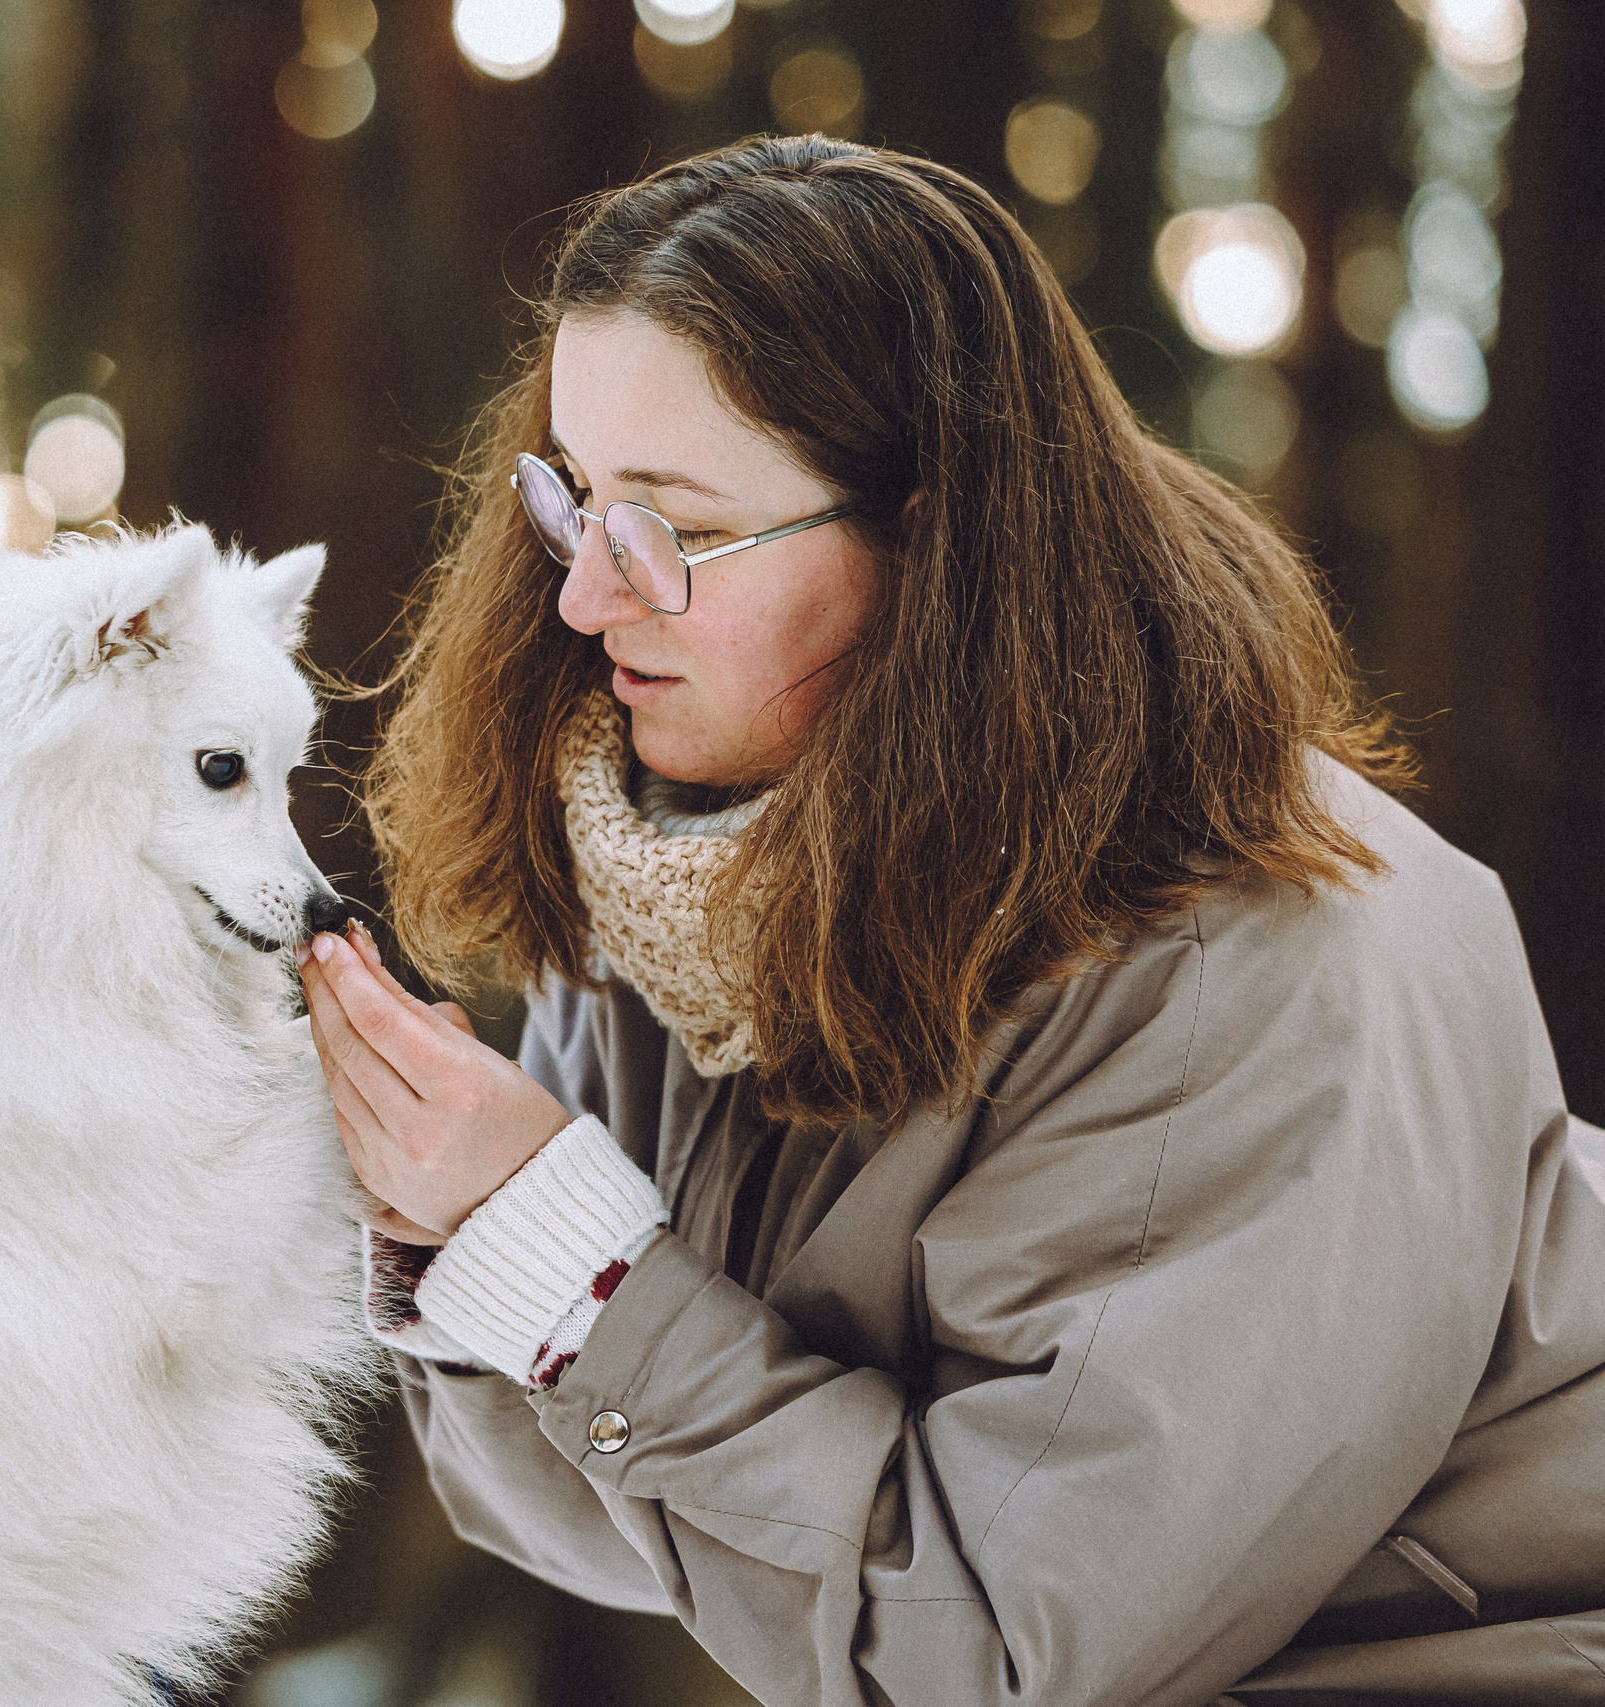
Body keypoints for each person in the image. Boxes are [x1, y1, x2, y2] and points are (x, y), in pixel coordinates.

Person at [296, 134, 1605, 1707]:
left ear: (928, 539)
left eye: (673, 531)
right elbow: (628, 1525)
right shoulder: (671, 864)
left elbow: (994, 1656)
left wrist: (571, 1269)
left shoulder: (1253, 970)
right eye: (574, 503)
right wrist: (478, 1241)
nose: (585, 597)